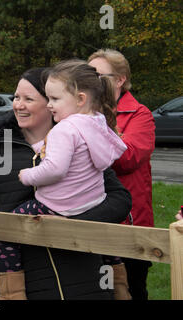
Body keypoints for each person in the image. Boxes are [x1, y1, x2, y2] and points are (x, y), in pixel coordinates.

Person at [0, 67, 132, 300]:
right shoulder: (1, 141)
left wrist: (71, 221)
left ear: (51, 104)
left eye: (28, 99)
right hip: (26, 275)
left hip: (81, 271)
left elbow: (119, 198)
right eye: (16, 97)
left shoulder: (78, 140)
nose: (18, 105)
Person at [0, 60, 126, 299]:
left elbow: (55, 169)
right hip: (93, 202)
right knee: (108, 238)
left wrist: (27, 175)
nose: (51, 105)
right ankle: (121, 288)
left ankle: (10, 293)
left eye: (54, 99)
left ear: (80, 99)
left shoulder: (64, 129)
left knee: (8, 229)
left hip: (57, 205)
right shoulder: (96, 123)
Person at [89, 49, 156, 300]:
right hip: (91, 218)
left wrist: (91, 139)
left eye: (99, 76)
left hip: (130, 224)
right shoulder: (82, 114)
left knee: (131, 290)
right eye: (88, 76)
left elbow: (128, 158)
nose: (92, 82)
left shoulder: (140, 115)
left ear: (120, 79)